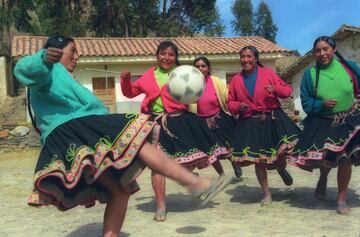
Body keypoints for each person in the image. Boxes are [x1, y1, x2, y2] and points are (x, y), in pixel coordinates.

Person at [14, 36, 230, 237]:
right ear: (56, 51)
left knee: (119, 192)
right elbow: (23, 70)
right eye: (73, 51)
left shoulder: (67, 79)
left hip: (86, 135)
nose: (77, 56)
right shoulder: (46, 71)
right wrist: (43, 58)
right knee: (142, 143)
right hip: (75, 132)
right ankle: (191, 181)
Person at [120, 41, 232, 222]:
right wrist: (125, 79)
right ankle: (161, 206)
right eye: (163, 53)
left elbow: (195, 93)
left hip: (180, 121)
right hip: (155, 124)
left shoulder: (183, 74)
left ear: (175, 57)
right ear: (157, 55)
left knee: (182, 161)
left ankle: (192, 180)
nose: (166, 57)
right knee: (157, 167)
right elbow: (130, 92)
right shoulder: (148, 76)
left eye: (171, 54)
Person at [290, 36, 360, 215]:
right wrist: (321, 105)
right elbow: (305, 101)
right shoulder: (310, 74)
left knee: (345, 159)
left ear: (333, 50)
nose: (322, 53)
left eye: (325, 49)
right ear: (314, 53)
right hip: (324, 122)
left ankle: (341, 199)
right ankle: (323, 178)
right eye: (318, 50)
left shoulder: (349, 67)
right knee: (327, 159)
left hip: (349, 119)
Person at [228, 45, 300, 207]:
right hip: (250, 123)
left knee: (279, 154)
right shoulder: (236, 80)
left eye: (249, 56)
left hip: (272, 120)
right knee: (259, 160)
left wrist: (275, 89)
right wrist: (238, 106)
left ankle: (281, 169)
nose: (246, 60)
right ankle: (266, 193)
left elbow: (287, 90)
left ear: (256, 58)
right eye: (243, 57)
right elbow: (230, 102)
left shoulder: (267, 73)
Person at [192, 56, 243, 178]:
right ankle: (221, 174)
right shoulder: (191, 84)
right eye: (197, 66)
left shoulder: (215, 81)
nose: (200, 68)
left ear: (208, 68)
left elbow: (227, 97)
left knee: (227, 148)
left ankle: (234, 162)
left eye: (203, 66)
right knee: (211, 152)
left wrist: (236, 110)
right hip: (201, 123)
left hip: (219, 119)